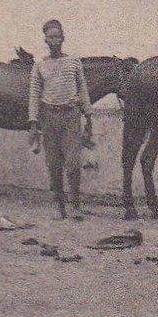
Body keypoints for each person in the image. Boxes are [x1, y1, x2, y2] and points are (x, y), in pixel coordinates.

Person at [27, 19, 94, 220]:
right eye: (50, 37)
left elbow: (82, 88)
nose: (54, 40)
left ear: (63, 38)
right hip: (49, 117)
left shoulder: (73, 62)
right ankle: (60, 205)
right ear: (45, 40)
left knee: (73, 163)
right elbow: (34, 94)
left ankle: (75, 204)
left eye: (58, 36)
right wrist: (33, 122)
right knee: (53, 164)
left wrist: (89, 116)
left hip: (71, 115)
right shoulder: (40, 65)